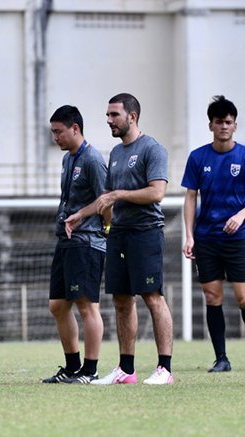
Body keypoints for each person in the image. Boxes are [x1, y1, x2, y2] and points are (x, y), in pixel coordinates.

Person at [66, 92, 174, 385]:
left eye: (114, 115)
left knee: (153, 298)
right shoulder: (115, 154)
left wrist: (119, 195)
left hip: (145, 233)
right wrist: (82, 214)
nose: (108, 120)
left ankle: (165, 369)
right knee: (122, 301)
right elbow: (105, 199)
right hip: (119, 234)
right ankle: (126, 369)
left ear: (132, 116)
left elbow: (157, 192)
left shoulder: (153, 149)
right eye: (108, 114)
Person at [42, 105, 106, 384]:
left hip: (87, 242)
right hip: (66, 241)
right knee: (57, 305)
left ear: (75, 129)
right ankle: (71, 367)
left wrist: (102, 230)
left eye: (58, 132)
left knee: (86, 305)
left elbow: (106, 200)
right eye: (53, 132)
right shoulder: (68, 160)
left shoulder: (93, 159)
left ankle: (90, 371)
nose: (55, 137)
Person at [182, 95, 244, 373]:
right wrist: (189, 235)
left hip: (239, 239)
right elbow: (190, 197)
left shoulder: (243, 156)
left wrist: (241, 215)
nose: (224, 127)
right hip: (206, 238)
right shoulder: (198, 157)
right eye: (219, 122)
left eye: (228, 122)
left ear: (235, 125)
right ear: (211, 125)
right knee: (212, 296)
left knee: (243, 297)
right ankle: (221, 358)